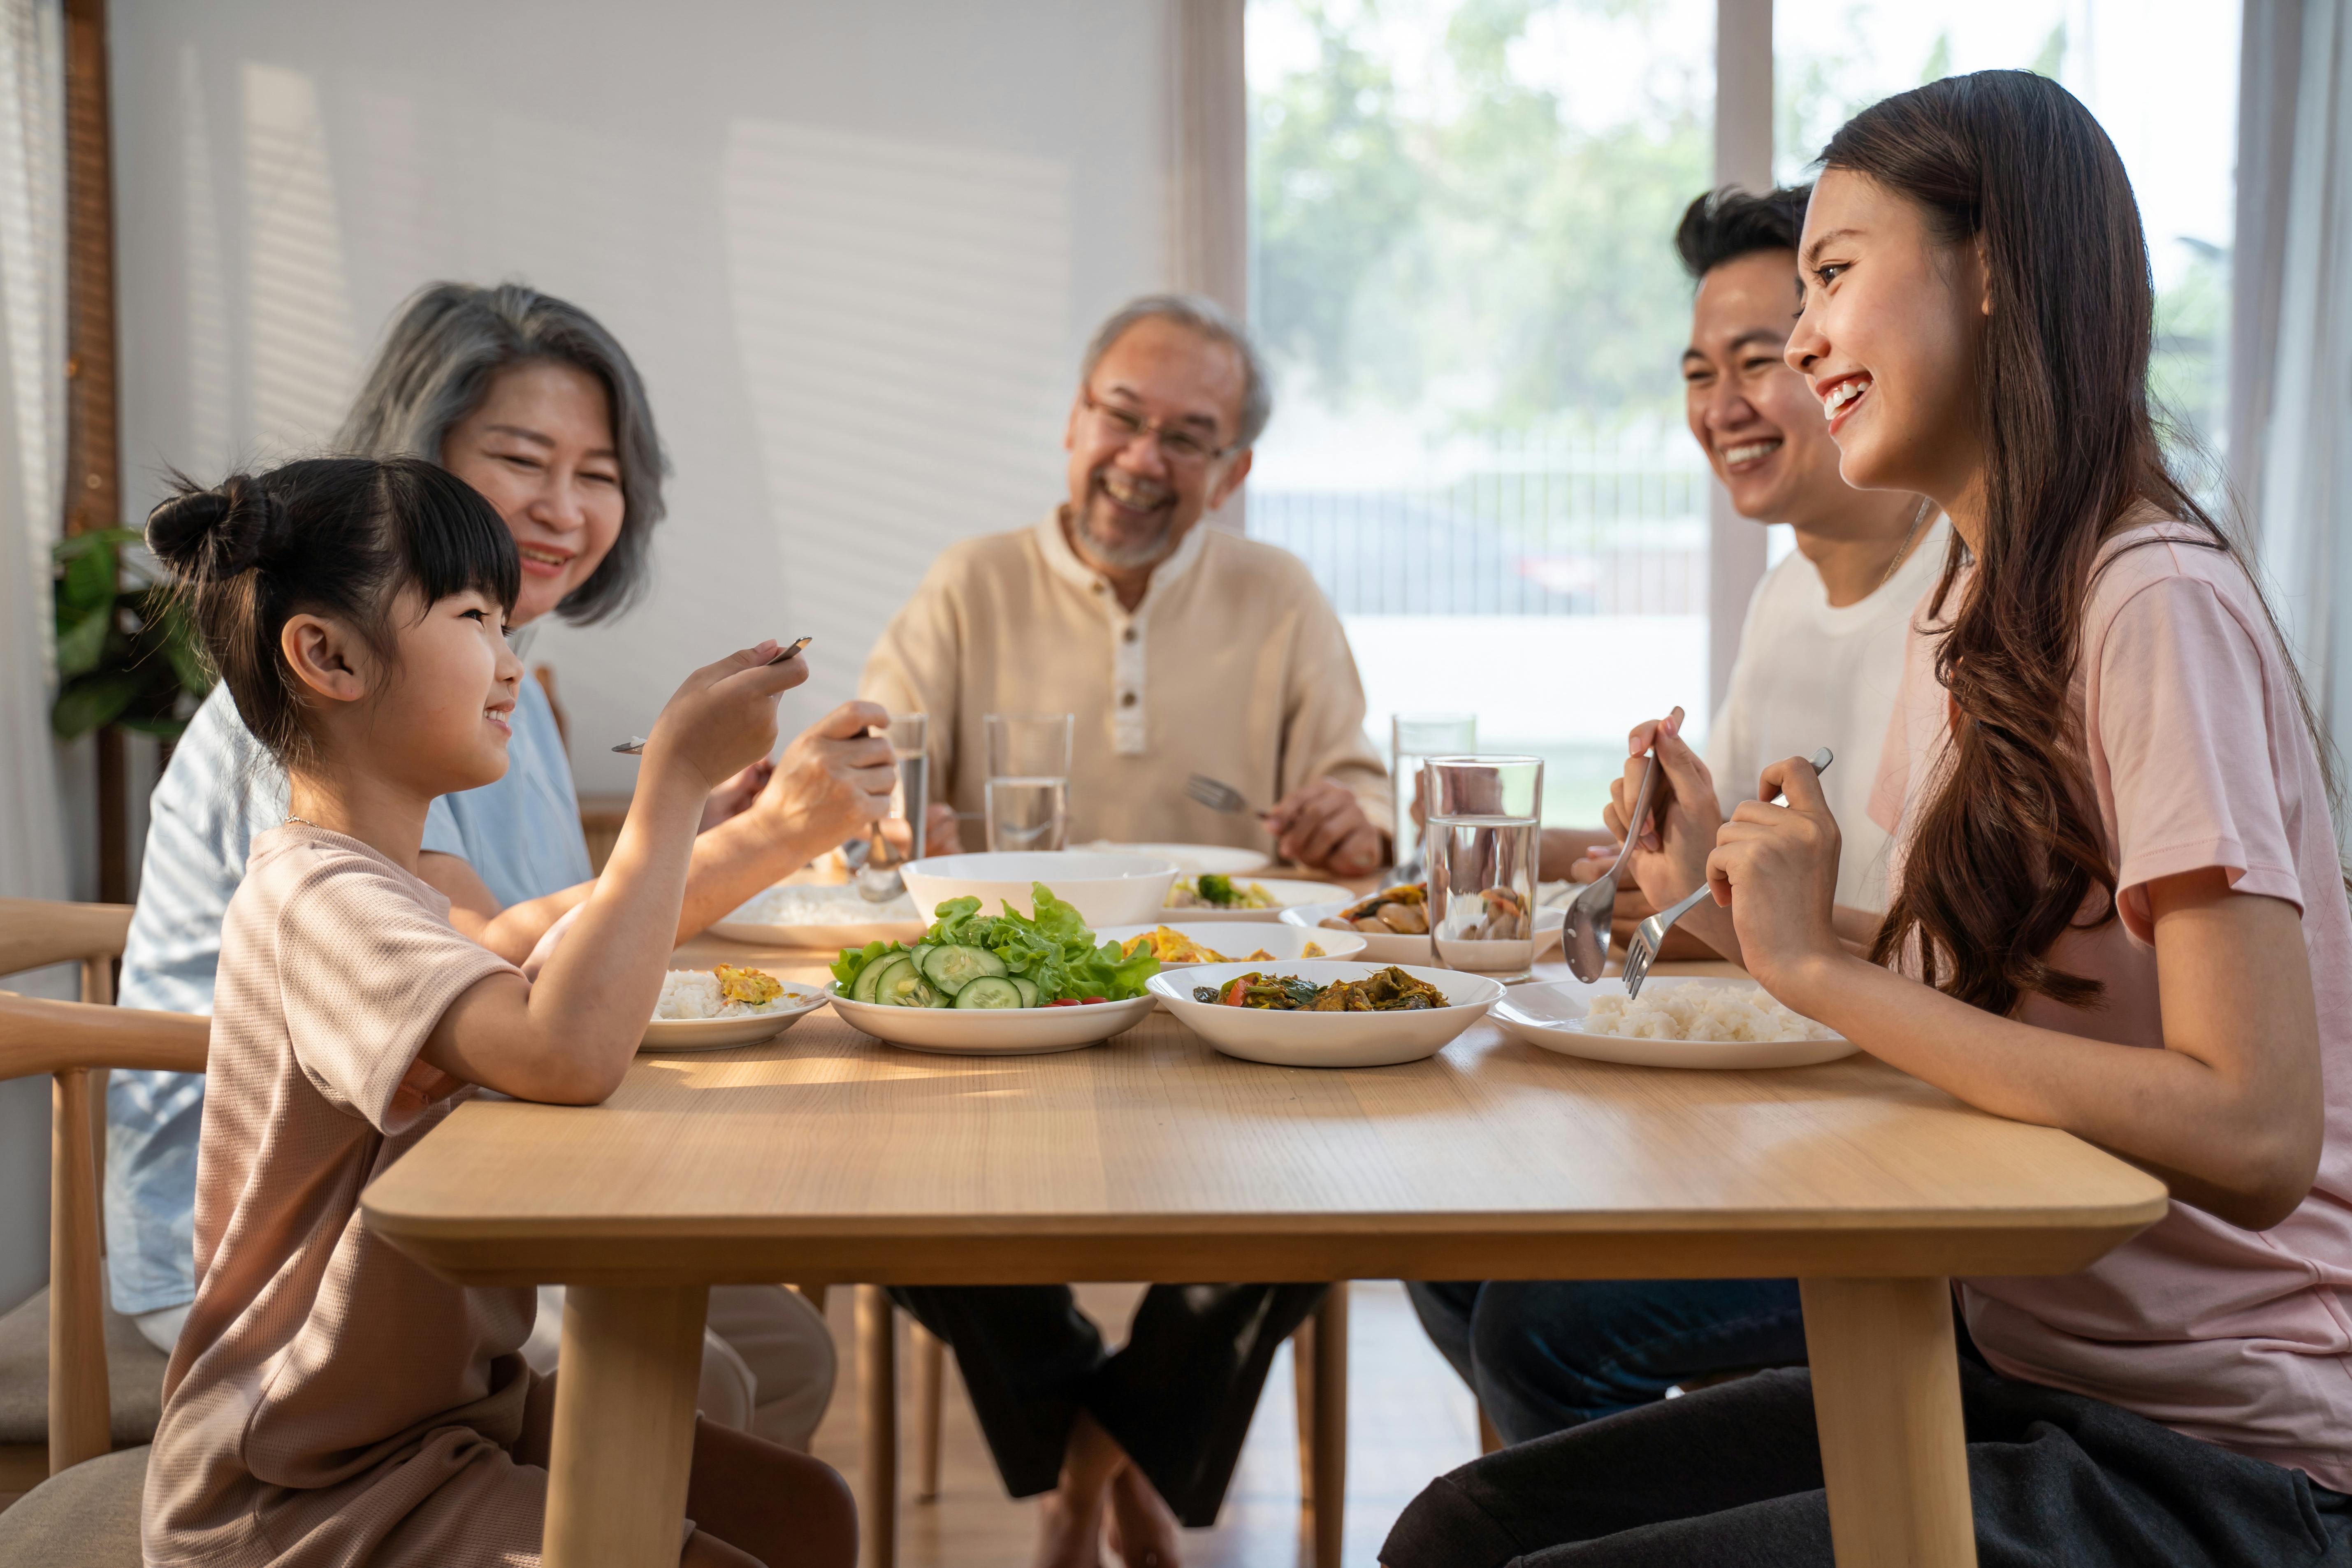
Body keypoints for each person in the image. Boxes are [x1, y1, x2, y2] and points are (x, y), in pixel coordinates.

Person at [1384, 70, 2352, 1567]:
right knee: (1459, 1532)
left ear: (1993, 272)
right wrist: (1733, 920)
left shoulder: (2144, 595)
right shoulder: (1973, 608)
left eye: (1832, 276)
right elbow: (1989, 982)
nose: (1807, 338)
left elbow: (2252, 1125)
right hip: (2017, 1363)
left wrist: (1819, 971)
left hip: (2217, 1451)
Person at [111, 283, 887, 1448]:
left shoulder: (495, 696)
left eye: (600, 473)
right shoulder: (299, 751)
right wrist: (736, 828)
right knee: (707, 1378)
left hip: (462, 1167)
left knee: (776, 1360)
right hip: (305, 1254)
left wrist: (694, 827)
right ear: (418, 462)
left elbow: (509, 930)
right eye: (523, 459)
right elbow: (517, 999)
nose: (565, 510)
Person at [1414, 185, 1947, 1446]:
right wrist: (1662, 864)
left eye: (1762, 358)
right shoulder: (1780, 599)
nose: (1722, 405)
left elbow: (1943, 956)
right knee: (1443, 1240)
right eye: (1698, 370)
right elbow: (1742, 899)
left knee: (1535, 1324)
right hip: (1784, 1093)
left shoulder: (1964, 597)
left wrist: (1717, 894)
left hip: (1901, 1128)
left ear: (1842, 349)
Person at [859, 292, 1392, 875]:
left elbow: (1361, 793)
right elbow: (874, 776)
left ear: (1230, 476)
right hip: (1013, 953)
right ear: (1074, 420)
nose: (1141, 460)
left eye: (1185, 440)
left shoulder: (1278, 592)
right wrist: (892, 830)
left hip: (1226, 957)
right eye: (1121, 417)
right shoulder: (970, 582)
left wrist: (1352, 827)